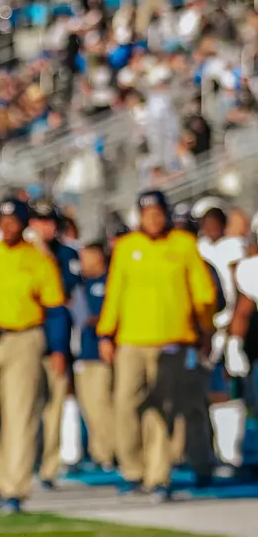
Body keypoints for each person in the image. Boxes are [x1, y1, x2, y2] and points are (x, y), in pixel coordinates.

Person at [96, 190, 217, 500]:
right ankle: (134, 470)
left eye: (158, 213)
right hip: (132, 341)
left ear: (166, 214)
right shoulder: (126, 247)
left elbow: (203, 293)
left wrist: (205, 330)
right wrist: (106, 334)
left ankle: (158, 476)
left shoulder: (184, 245)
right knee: (126, 404)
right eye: (147, 213)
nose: (153, 218)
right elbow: (115, 293)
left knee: (164, 409)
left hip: (173, 341)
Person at [0, 198, 67, 512]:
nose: (8, 226)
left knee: (20, 414)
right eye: (3, 221)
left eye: (13, 221)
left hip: (24, 338)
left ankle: (15, 487)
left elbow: (56, 309)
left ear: (23, 225)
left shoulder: (37, 260)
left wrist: (58, 349)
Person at [28, 199, 79, 489]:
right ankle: (24, 462)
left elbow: (64, 292)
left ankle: (48, 467)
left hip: (55, 343)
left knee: (54, 407)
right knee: (23, 407)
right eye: (37, 221)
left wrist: (44, 256)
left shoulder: (66, 254)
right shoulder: (18, 254)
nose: (43, 228)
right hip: (25, 343)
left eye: (48, 222)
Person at [73, 242, 115, 470]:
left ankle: (111, 451)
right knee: (89, 407)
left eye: (88, 258)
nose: (83, 263)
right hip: (83, 353)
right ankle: (100, 453)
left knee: (102, 405)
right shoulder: (81, 284)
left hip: (101, 353)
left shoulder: (109, 281)